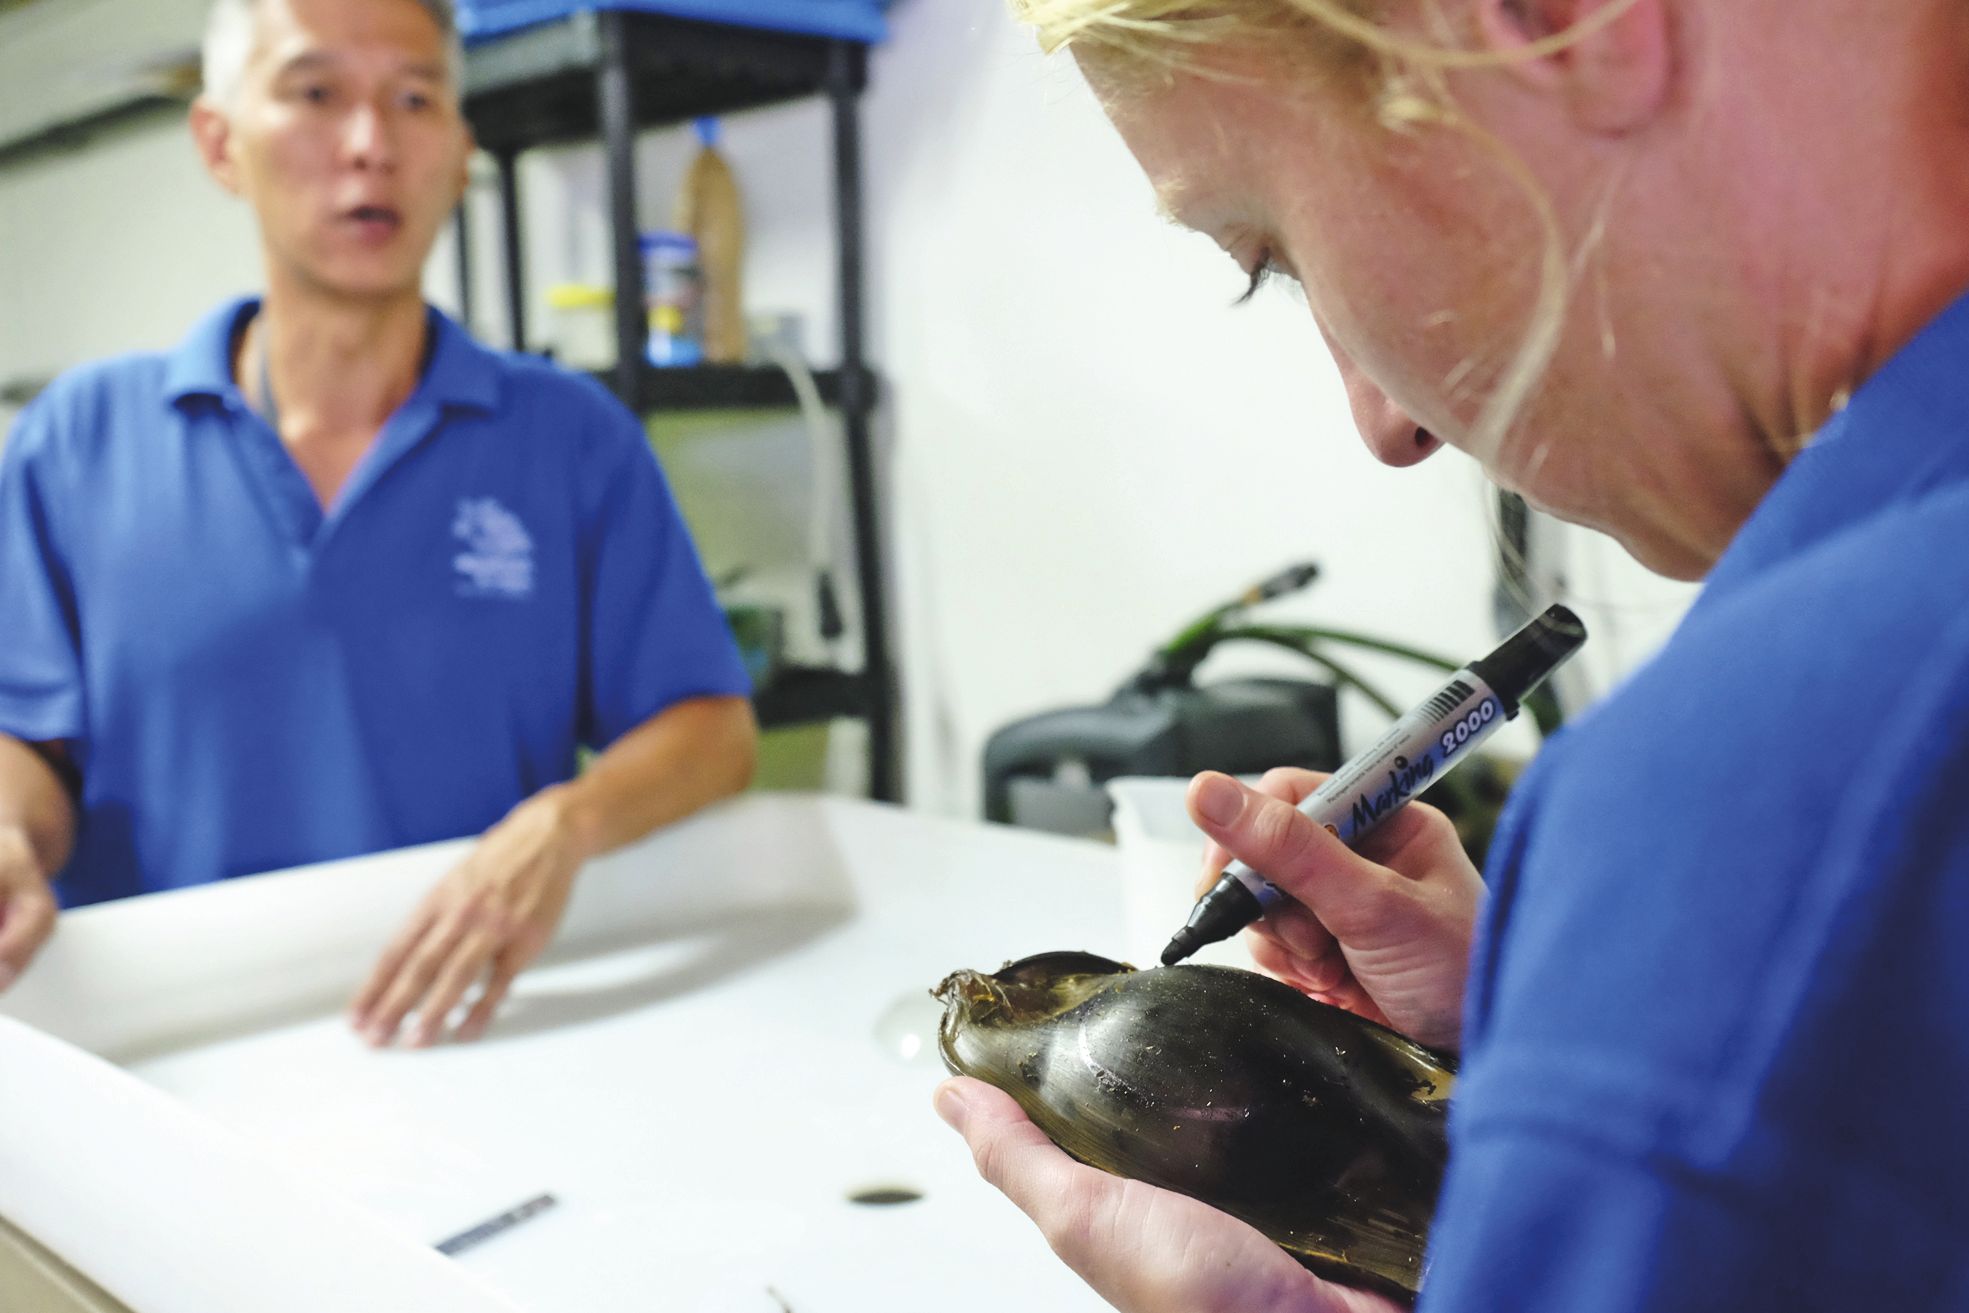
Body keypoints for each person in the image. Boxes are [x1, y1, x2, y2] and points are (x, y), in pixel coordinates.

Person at [938, 1, 1969, 1310]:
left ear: (1546, 25)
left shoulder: (1765, 787)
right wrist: (1586, 1045)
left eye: (1270, 250)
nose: (1384, 423)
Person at [0, 0, 758, 1048]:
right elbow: (27, 735)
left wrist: (564, 822)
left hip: (460, 1029)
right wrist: (9, 831)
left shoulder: (571, 438)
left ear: (458, 151)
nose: (371, 144)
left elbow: (712, 729)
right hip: (166, 1041)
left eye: (414, 100)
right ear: (219, 143)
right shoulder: (79, 438)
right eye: (315, 93)